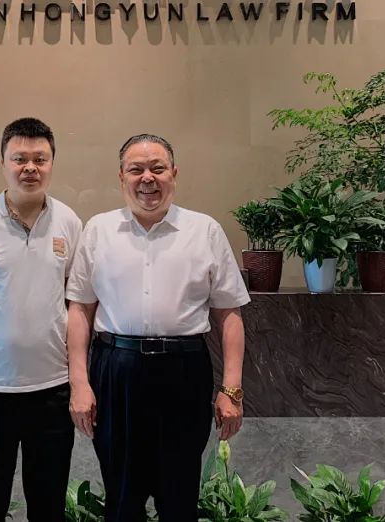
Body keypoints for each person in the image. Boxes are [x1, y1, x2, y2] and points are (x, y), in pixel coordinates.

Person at [65, 133, 250, 522]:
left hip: (183, 373)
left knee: (179, 496)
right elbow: (80, 309)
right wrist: (79, 384)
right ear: (121, 177)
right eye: (136, 169)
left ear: (174, 174)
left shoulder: (205, 231)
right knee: (121, 497)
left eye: (157, 168)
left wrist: (231, 390)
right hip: (116, 372)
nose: (147, 178)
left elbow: (229, 313)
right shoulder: (98, 230)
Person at [0, 117, 82, 522]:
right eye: (20, 159)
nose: (30, 168)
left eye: (40, 159)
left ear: (52, 163)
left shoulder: (69, 222)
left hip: (52, 389)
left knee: (49, 505)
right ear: (3, 163)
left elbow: (76, 301)